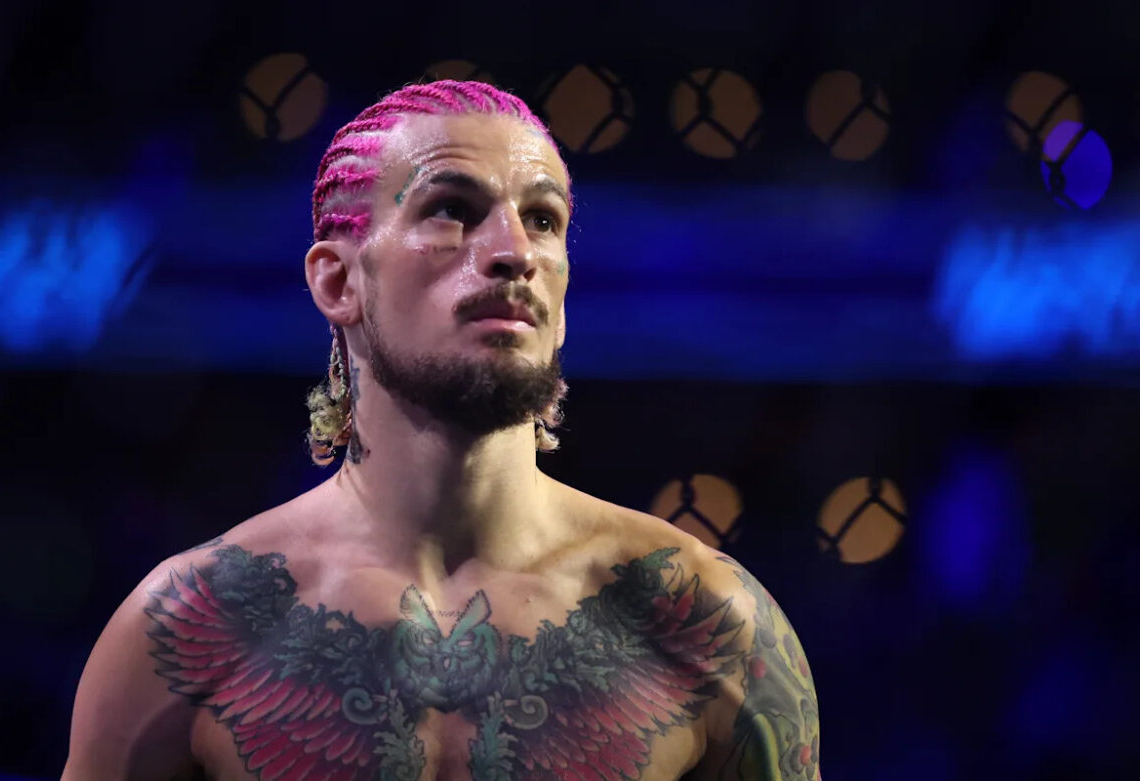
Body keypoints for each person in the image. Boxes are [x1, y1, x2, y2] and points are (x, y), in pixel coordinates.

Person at [63, 80, 820, 780]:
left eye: (543, 220)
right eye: (451, 209)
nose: (515, 253)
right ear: (338, 280)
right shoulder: (192, 625)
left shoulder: (701, 616)